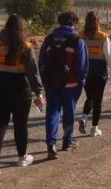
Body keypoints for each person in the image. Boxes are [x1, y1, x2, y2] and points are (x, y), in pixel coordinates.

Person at [0, 15, 46, 172]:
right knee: (21, 125)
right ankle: (22, 157)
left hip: (0, 89)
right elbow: (33, 72)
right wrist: (38, 92)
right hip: (22, 91)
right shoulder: (26, 47)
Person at [38, 11, 90, 159]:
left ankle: (51, 144)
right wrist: (82, 81)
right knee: (69, 112)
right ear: (73, 23)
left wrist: (45, 81)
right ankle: (67, 141)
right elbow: (82, 66)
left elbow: (41, 62)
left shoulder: (49, 39)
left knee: (52, 112)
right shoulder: (77, 40)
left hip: (52, 83)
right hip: (71, 84)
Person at [78, 11, 111, 138]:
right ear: (98, 21)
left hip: (85, 70)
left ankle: (84, 117)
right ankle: (94, 128)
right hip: (99, 71)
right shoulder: (103, 36)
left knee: (89, 96)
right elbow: (110, 56)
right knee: (98, 100)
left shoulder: (80, 35)